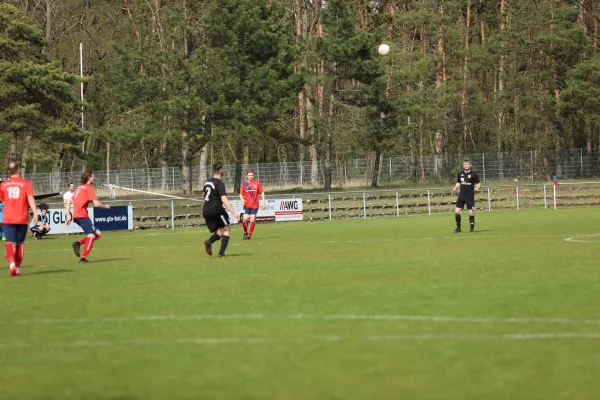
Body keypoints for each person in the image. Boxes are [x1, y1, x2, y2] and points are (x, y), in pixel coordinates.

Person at [0, 162, 37, 277]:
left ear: (9, 172)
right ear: (19, 170)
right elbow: (30, 199)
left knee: (9, 242)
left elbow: (3, 201)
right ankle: (17, 269)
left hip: (8, 218)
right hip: (21, 217)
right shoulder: (26, 183)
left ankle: (11, 265)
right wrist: (35, 212)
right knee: (20, 243)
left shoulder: (3, 185)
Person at [66, 170, 110, 264]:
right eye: (93, 176)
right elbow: (96, 204)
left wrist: (68, 215)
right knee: (91, 235)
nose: (94, 178)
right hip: (81, 215)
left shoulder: (80, 188)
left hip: (77, 215)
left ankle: (77, 243)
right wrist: (105, 206)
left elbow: (69, 201)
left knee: (98, 234)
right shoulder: (89, 188)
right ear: (89, 177)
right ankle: (83, 258)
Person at [203, 163, 239, 258]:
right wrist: (233, 213)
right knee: (226, 229)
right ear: (221, 171)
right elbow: (224, 200)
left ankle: (209, 242)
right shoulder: (220, 184)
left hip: (206, 210)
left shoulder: (207, 182)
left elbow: (204, 194)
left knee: (219, 232)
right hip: (217, 210)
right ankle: (221, 253)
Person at [452, 159, 481, 233]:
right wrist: (455, 187)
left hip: (470, 197)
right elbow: (458, 182)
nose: (466, 165)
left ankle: (471, 228)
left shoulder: (474, 174)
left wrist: (477, 188)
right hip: (461, 196)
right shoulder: (460, 173)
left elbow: (478, 183)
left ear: (470, 165)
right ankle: (458, 228)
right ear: (463, 165)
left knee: (471, 212)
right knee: (457, 212)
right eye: (465, 164)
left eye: (467, 164)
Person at [239, 170, 265, 240]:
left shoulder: (257, 183)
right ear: (247, 176)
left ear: (253, 176)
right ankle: (245, 232)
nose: (251, 176)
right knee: (245, 219)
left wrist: (263, 202)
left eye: (252, 175)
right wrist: (242, 199)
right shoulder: (244, 184)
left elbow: (262, 192)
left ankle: (249, 235)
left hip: (255, 205)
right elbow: (241, 194)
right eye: (249, 175)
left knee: (252, 219)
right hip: (246, 205)